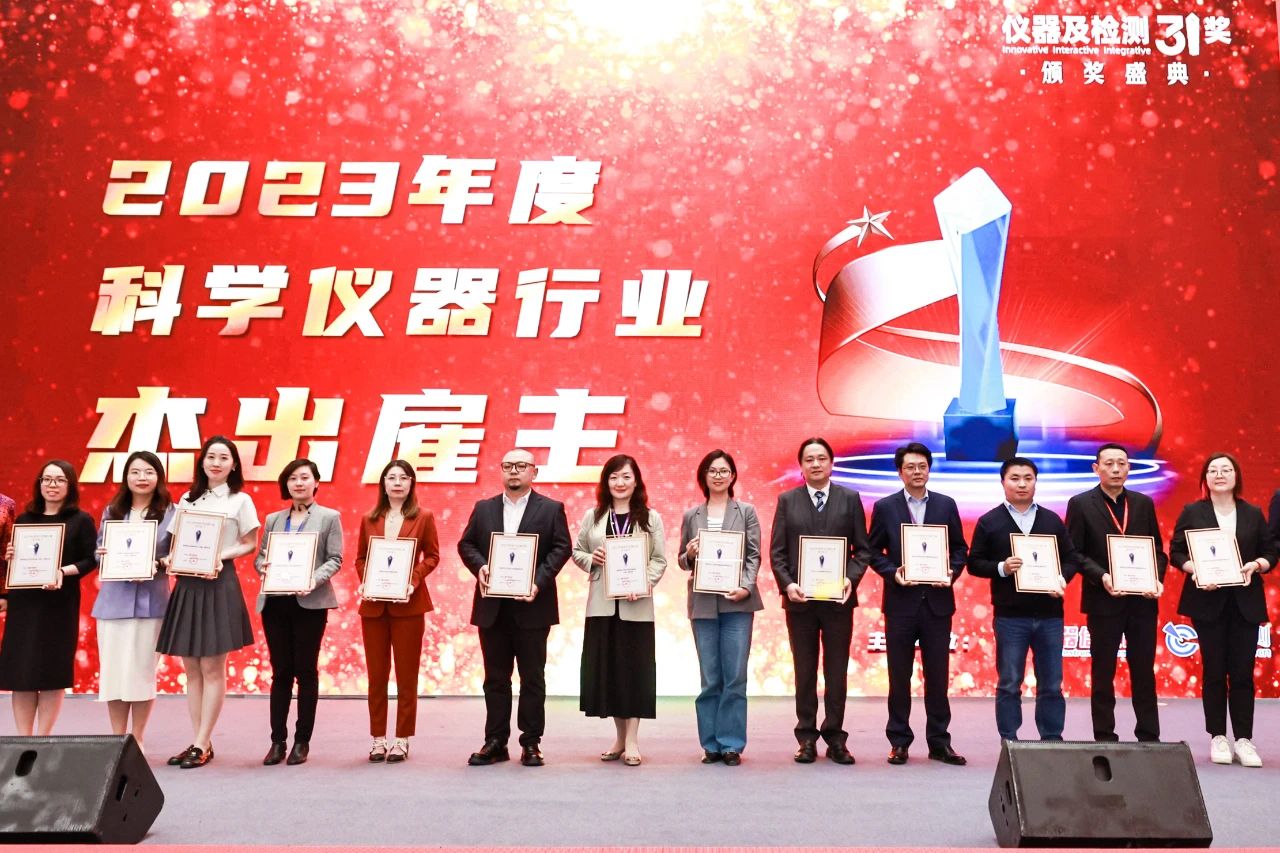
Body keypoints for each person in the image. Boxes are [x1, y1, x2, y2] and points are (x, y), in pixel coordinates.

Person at [458, 449, 572, 768]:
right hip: (492, 607)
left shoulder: (551, 509)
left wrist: (538, 581)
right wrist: (480, 567)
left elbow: (562, 547)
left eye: (521, 466)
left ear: (534, 472)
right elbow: (466, 544)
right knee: (495, 678)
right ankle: (495, 741)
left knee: (532, 677)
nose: (513, 471)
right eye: (507, 465)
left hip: (533, 606)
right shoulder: (484, 508)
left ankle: (531, 741)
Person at [158, 435, 260, 768]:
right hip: (188, 584)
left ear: (234, 465)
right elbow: (177, 543)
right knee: (192, 668)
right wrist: (171, 559)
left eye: (224, 457)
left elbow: (250, 543)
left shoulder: (240, 500)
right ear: (202, 462)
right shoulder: (187, 499)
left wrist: (220, 556)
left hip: (219, 582)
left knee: (212, 667)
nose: (216, 463)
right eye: (211, 456)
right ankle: (199, 740)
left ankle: (201, 743)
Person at [1170, 453, 1277, 767]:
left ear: (1236, 476)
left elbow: (1270, 551)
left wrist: (1257, 565)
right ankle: (1217, 735)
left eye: (1226, 469)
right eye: (1213, 470)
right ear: (1205, 478)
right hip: (1208, 602)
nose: (1219, 474)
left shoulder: (1252, 513)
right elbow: (1176, 551)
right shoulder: (1193, 512)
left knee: (1243, 673)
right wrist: (1195, 570)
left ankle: (1244, 739)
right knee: (1214, 671)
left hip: (1245, 603)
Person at [770, 437, 870, 765]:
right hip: (800, 602)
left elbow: (863, 550)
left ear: (831, 463)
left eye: (821, 458)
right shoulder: (787, 501)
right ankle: (806, 737)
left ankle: (836, 738)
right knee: (805, 670)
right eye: (809, 459)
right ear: (801, 466)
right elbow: (778, 553)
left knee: (836, 671)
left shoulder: (849, 499)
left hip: (838, 602)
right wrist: (788, 585)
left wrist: (850, 579)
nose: (816, 464)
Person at [867, 442, 968, 766]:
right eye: (910, 467)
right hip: (901, 604)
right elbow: (872, 551)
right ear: (900, 472)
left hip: (937, 604)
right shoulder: (886, 507)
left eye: (922, 466)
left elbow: (960, 549)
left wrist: (951, 572)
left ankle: (939, 742)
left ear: (929, 469)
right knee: (899, 677)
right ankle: (899, 742)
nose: (917, 472)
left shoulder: (946, 504)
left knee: (937, 677)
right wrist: (892, 573)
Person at [968, 457, 1080, 741]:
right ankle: (1009, 740)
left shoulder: (1052, 520)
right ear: (1003, 482)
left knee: (1051, 684)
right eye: (1015, 478)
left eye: (1028, 478)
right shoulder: (989, 521)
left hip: (1050, 615)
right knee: (1009, 683)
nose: (1021, 484)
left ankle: (1052, 739)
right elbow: (974, 563)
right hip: (1010, 616)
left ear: (1035, 482)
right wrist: (1002, 568)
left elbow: (1071, 559)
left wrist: (1061, 578)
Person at [1065, 443, 1167, 744]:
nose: (1115, 469)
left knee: (1143, 670)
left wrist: (1156, 579)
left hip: (1142, 601)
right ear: (1096, 468)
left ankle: (1149, 735)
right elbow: (1074, 552)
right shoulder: (1080, 504)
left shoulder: (1143, 503)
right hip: (1103, 600)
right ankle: (1104, 735)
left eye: (1121, 463)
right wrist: (1102, 576)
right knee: (1103, 671)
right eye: (1108, 463)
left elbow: (1157, 550)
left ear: (1129, 468)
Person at [572, 454, 667, 766]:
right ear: (606, 482)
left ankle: (633, 740)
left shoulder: (650, 518)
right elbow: (577, 551)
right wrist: (592, 559)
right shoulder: (593, 516)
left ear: (636, 481)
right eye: (613, 477)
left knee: (635, 672)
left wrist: (644, 582)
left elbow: (659, 559)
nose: (620, 482)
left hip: (636, 606)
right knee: (610, 673)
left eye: (626, 476)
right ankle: (619, 737)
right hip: (601, 606)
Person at [253, 458, 344, 766]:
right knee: (280, 672)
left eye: (305, 477)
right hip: (275, 603)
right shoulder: (273, 520)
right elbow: (260, 558)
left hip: (310, 603)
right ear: (286, 484)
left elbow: (335, 559)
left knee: (305, 671)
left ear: (316, 482)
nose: (299, 483)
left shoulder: (329, 517)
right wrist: (263, 566)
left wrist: (312, 579)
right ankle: (277, 741)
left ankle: (302, 741)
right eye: (293, 478)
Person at [677, 449, 763, 766]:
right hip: (703, 605)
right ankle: (710, 744)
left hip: (737, 603)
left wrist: (746, 586)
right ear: (704, 476)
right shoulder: (692, 515)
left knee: (735, 677)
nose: (718, 476)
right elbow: (682, 561)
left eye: (724, 470)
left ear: (733, 476)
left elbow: (753, 554)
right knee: (710, 677)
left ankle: (731, 744)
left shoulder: (747, 512)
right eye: (712, 471)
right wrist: (689, 554)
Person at [0, 461, 97, 735]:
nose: (52, 485)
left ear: (70, 485)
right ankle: (24, 738)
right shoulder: (24, 520)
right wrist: (10, 556)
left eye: (59, 480)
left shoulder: (81, 520)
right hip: (24, 605)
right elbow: (12, 564)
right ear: (39, 484)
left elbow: (91, 559)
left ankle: (43, 738)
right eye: (47, 479)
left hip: (59, 605)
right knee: (22, 673)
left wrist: (62, 571)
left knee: (52, 673)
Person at [354, 459, 440, 764]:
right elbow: (361, 559)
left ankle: (402, 739)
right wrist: (366, 580)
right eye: (391, 477)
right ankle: (378, 738)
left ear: (411, 483)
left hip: (409, 606)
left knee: (406, 676)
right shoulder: (369, 518)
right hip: (374, 607)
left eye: (404, 478)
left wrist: (412, 581)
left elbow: (432, 556)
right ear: (383, 484)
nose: (397, 483)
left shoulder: (423, 516)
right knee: (376, 676)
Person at [92, 451, 175, 752]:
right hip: (113, 603)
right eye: (135, 472)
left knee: (142, 673)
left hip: (152, 603)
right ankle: (117, 738)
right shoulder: (112, 511)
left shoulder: (172, 513)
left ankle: (137, 738)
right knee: (113, 674)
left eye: (149, 472)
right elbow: (99, 550)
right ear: (126, 477)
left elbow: (177, 555)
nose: (142, 478)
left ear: (159, 477)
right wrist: (102, 554)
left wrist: (159, 563)